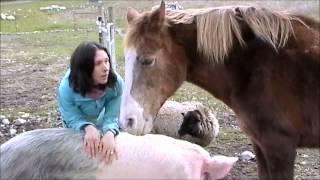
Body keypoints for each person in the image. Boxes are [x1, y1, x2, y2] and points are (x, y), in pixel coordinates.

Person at [57, 42, 124, 164]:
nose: (106, 68)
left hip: (102, 118)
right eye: (98, 63)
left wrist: (110, 131)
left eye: (107, 61)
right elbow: (71, 116)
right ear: (84, 68)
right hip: (76, 124)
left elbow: (114, 108)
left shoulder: (115, 83)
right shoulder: (67, 88)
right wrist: (86, 127)